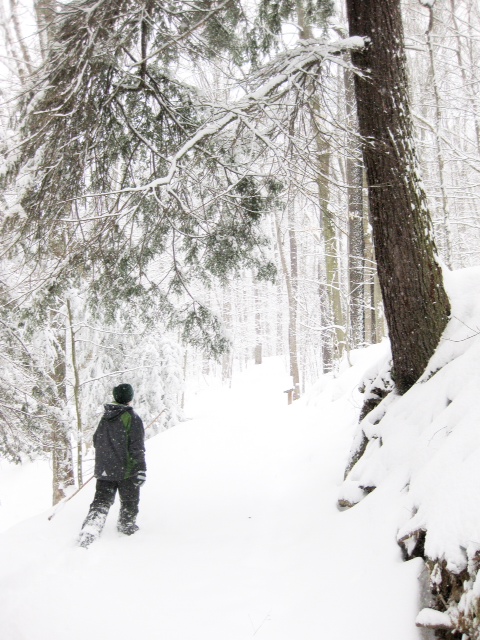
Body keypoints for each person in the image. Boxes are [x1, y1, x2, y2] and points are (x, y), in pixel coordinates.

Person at [78, 383, 146, 548]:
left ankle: (90, 531)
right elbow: (137, 448)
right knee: (129, 501)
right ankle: (126, 528)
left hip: (105, 469)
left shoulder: (106, 416)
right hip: (126, 471)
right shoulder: (132, 417)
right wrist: (141, 469)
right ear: (129, 398)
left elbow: (96, 440)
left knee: (101, 502)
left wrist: (108, 458)